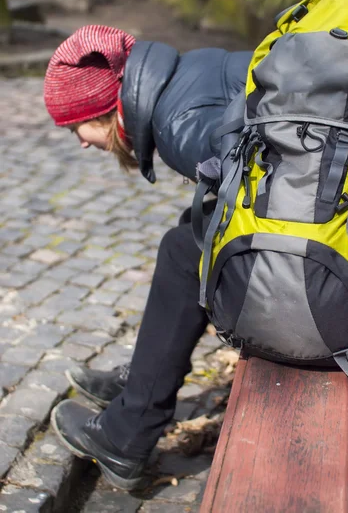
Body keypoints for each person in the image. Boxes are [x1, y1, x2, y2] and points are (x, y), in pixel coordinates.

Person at [44, 25, 251, 490]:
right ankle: (144, 375)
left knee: (183, 252)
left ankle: (128, 434)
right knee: (192, 227)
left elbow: (274, 209)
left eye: (73, 127)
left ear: (101, 113)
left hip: (334, 285)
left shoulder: (180, 125)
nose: (79, 142)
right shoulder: (185, 75)